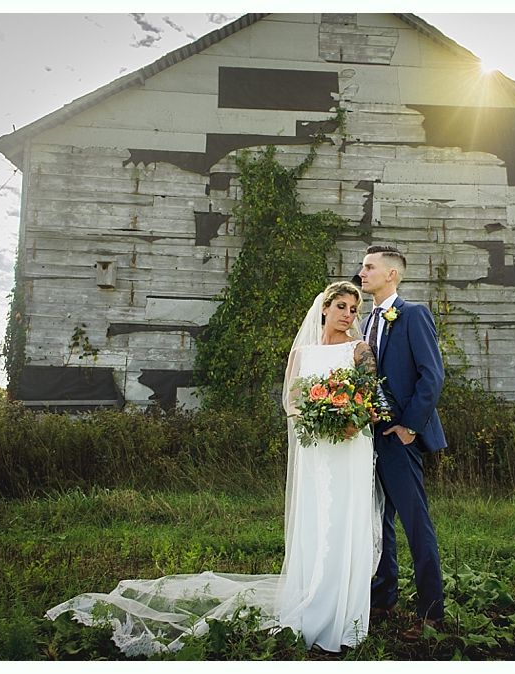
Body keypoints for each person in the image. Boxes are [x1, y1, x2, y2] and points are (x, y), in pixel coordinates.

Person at [45, 282, 384, 655]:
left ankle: (344, 613)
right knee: (318, 519)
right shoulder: (302, 353)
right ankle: (313, 599)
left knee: (343, 518)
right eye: (341, 305)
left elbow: (368, 396)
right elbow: (291, 400)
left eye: (354, 308)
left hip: (350, 443)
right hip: (316, 447)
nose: (348, 314)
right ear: (324, 308)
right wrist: (316, 417)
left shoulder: (360, 350)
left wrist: (349, 418)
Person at [358, 244, 446, 641]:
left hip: (401, 436)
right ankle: (383, 599)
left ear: (391, 274)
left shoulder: (412, 315)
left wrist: (410, 426)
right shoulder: (363, 323)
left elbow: (432, 376)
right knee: (379, 520)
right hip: (368, 436)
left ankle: (431, 612)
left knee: (415, 522)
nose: (362, 273)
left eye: (369, 267)